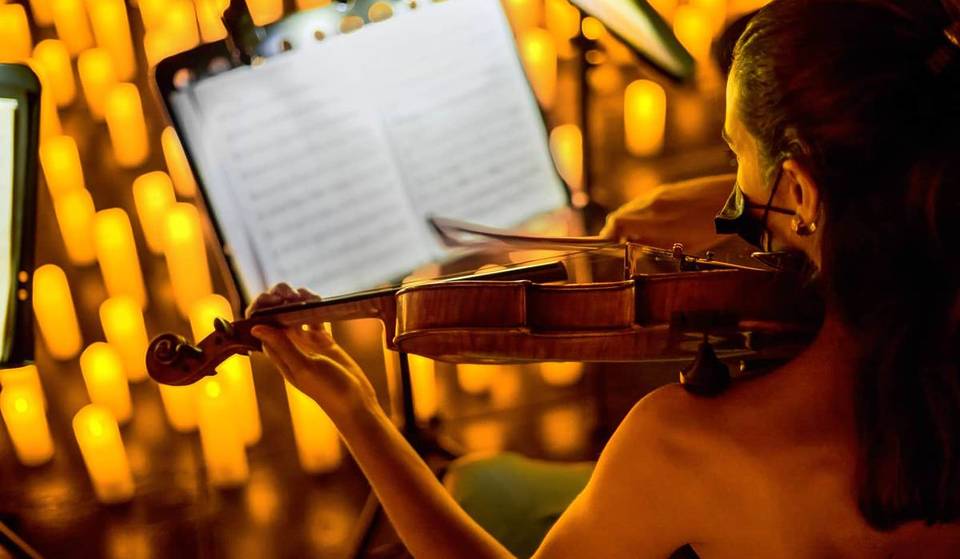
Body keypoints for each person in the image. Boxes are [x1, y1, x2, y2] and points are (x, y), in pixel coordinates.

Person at [247, 0, 960, 555]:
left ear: (801, 192)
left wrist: (356, 410)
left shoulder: (682, 446)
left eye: (736, 155)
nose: (731, 196)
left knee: (480, 482)